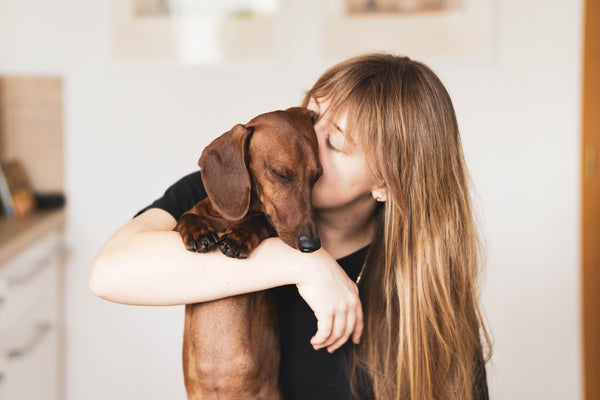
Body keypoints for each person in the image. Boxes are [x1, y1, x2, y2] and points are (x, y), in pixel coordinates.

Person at [90, 53, 491, 400]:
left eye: (334, 143)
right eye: (312, 115)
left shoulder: (423, 294)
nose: (307, 140)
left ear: (387, 182)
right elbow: (109, 274)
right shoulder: (235, 187)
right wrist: (303, 264)